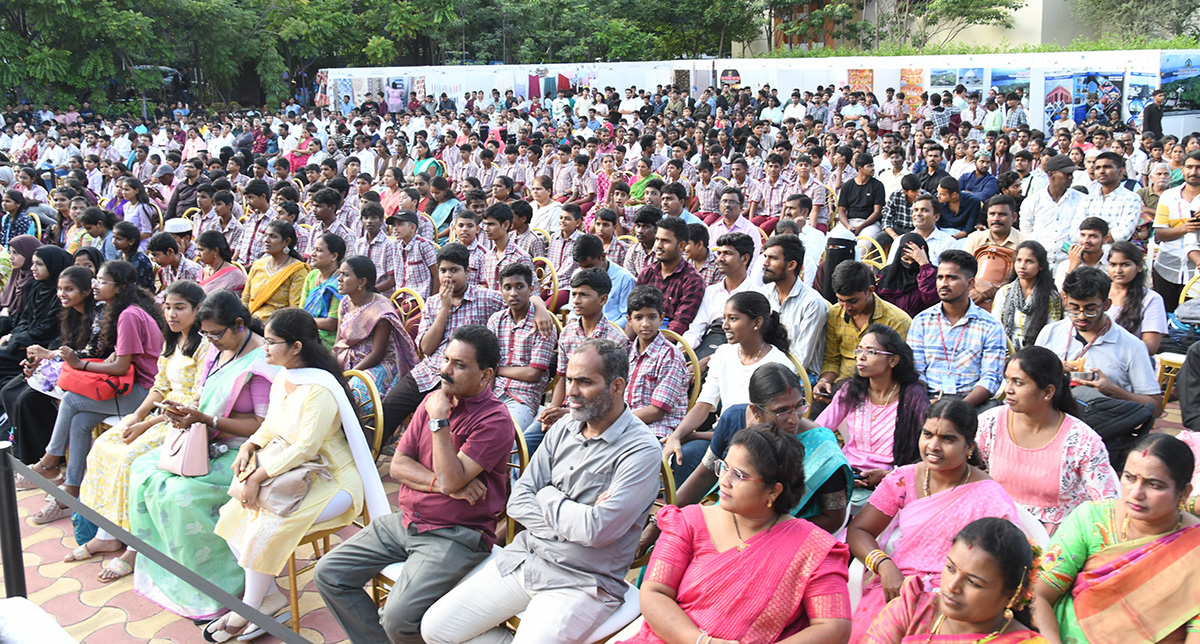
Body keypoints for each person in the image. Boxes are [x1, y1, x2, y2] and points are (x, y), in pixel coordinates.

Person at [421, 339, 663, 644]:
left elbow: (596, 531)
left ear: (616, 386)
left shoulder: (641, 451)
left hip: (583, 581)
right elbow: (518, 500)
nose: (571, 391)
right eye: (570, 379)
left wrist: (547, 494)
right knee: (435, 629)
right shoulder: (564, 427)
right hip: (526, 557)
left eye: (584, 382)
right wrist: (574, 517)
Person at [314, 325, 515, 644]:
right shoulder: (433, 400)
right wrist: (442, 485)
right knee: (329, 574)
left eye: (459, 365)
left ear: (485, 375)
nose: (446, 370)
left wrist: (439, 421)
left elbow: (451, 478)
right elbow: (399, 466)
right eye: (446, 360)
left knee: (398, 619)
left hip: (456, 534)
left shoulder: (494, 420)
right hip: (407, 521)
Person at [207, 308, 385, 641]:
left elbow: (306, 447)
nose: (265, 348)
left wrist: (257, 477)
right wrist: (249, 447)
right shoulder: (285, 377)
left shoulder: (318, 389)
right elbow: (271, 426)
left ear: (296, 347)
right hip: (289, 474)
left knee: (265, 526)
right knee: (235, 512)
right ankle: (267, 597)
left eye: (272, 342)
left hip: (333, 481)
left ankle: (250, 605)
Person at [621, 423, 852, 644]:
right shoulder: (689, 522)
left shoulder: (813, 549)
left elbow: (833, 627)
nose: (724, 481)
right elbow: (654, 592)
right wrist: (701, 642)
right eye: (724, 467)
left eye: (738, 475)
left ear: (774, 491)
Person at [128, 291, 276, 619]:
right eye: (204, 333)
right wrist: (181, 412)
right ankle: (180, 579)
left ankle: (224, 587)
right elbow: (202, 395)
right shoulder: (214, 350)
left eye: (215, 333)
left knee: (181, 495)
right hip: (206, 440)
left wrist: (206, 420)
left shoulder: (261, 362)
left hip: (244, 451)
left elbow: (261, 426)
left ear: (239, 325)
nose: (208, 340)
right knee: (142, 472)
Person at [846, 398, 1021, 644]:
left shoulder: (989, 495)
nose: (933, 446)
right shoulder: (902, 479)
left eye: (948, 439)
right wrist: (885, 566)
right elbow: (859, 530)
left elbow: (1005, 560)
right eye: (927, 434)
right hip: (897, 585)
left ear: (969, 447)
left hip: (957, 595)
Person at [70, 280, 207, 582]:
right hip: (159, 415)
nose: (171, 314)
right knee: (105, 446)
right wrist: (136, 416)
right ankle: (107, 531)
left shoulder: (205, 346)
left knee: (129, 459)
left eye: (180, 308)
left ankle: (134, 544)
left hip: (181, 422)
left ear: (198, 310)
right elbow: (160, 386)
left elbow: (196, 398)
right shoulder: (171, 342)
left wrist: (149, 423)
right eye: (168, 307)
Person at [26, 260, 165, 524]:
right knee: (78, 420)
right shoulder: (122, 311)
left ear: (120, 287)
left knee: (70, 400)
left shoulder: (128, 315)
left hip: (145, 392)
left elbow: (122, 365)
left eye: (102, 281)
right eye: (96, 280)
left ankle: (50, 461)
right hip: (131, 385)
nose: (96, 285)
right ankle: (72, 487)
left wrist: (80, 365)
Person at [1030, 434, 1200, 644]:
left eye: (1154, 485)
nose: (1136, 493)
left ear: (1184, 493)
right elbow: (1039, 595)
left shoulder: (1195, 548)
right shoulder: (1092, 519)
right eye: (1129, 477)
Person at [975, 346, 1118, 536]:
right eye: (1007, 380)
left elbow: (1106, 505)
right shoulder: (990, 423)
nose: (1007, 389)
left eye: (1018, 382)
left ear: (1048, 392)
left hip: (1059, 541)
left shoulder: (1082, 440)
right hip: (997, 529)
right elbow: (968, 472)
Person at [1034, 266, 1161, 467]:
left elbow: (1154, 406)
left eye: (1091, 308)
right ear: (1065, 299)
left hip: (1102, 436)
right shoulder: (1050, 333)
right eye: (1074, 308)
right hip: (1049, 428)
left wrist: (1113, 390)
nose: (1081, 316)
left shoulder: (1131, 346)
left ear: (1107, 304)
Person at [664, 291, 794, 477]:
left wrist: (695, 435)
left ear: (757, 323)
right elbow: (703, 405)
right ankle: (681, 506)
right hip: (721, 437)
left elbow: (763, 427)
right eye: (724, 318)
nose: (724, 326)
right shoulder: (724, 353)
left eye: (733, 319)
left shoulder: (777, 365)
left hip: (756, 444)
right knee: (683, 454)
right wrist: (677, 435)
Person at [863, 517, 1047, 644]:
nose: (952, 586)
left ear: (1011, 595)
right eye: (950, 568)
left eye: (973, 582)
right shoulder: (909, 610)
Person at [817, 323, 929, 508]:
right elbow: (819, 430)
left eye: (871, 352)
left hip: (893, 481)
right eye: (859, 350)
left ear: (893, 361)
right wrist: (839, 469)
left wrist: (887, 476)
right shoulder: (851, 390)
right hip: (847, 477)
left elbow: (929, 442)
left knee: (866, 523)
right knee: (825, 514)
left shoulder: (912, 396)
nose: (861, 357)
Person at [527, 267, 629, 454]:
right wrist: (554, 410)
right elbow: (562, 378)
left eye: (584, 295)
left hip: (597, 415)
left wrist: (567, 413)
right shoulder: (568, 333)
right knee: (527, 443)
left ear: (603, 300)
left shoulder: (616, 341)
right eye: (574, 294)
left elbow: (613, 396)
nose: (576, 300)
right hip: (568, 408)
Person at [908, 250, 1006, 408]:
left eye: (952, 278)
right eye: (940, 277)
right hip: (929, 400)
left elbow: (991, 378)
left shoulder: (990, 326)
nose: (943, 284)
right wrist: (928, 404)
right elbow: (916, 370)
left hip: (971, 403)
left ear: (970, 284)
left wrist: (958, 408)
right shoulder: (921, 321)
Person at [816, 261, 913, 405]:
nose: (846, 307)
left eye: (852, 301)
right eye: (840, 300)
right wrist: (824, 381)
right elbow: (832, 359)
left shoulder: (897, 321)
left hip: (879, 390)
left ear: (870, 291)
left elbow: (901, 370)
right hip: (840, 388)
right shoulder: (835, 314)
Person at [334, 255, 419, 394]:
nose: (339, 279)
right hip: (348, 358)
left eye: (345, 275)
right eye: (340, 274)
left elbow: (377, 354)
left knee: (353, 390)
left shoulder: (380, 309)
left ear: (361, 282)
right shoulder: (345, 302)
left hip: (377, 364)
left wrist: (351, 374)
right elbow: (339, 343)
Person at [624, 285, 690, 463]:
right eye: (638, 318)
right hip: (627, 425)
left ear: (661, 318)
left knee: (625, 458)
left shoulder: (670, 355)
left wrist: (617, 421)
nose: (645, 324)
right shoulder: (628, 352)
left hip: (658, 430)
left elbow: (658, 411)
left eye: (651, 317)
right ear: (629, 320)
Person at [487, 262, 556, 430]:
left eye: (520, 287)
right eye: (507, 288)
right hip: (494, 391)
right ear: (501, 290)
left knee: (503, 431)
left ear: (531, 289)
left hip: (523, 396)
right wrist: (485, 398)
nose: (513, 293)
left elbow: (533, 373)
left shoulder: (542, 324)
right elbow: (488, 364)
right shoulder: (496, 320)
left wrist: (497, 369)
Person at [757, 234, 828, 374]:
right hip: (763, 370)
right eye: (765, 257)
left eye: (773, 258)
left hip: (800, 378)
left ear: (791, 265)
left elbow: (800, 361)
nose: (765, 263)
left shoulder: (812, 303)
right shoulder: (763, 294)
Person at [0, 243, 70, 380]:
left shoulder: (61, 294)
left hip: (40, 348)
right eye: (33, 263)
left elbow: (46, 330)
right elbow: (25, 318)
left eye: (39, 264)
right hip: (23, 341)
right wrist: (13, 337)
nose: (33, 268)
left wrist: (13, 339)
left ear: (53, 265)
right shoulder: (38, 287)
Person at [634, 216, 706, 335]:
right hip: (642, 333)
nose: (658, 246)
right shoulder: (647, 273)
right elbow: (634, 313)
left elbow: (681, 323)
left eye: (665, 241)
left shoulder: (693, 280)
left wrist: (653, 346)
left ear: (682, 245)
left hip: (669, 341)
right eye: (657, 239)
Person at [1150, 150, 1200, 311]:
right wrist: (1185, 228)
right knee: (1166, 319)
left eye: (1198, 167)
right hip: (1166, 267)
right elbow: (1160, 234)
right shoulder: (1169, 196)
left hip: (1196, 273)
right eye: (1189, 167)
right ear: (1182, 169)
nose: (1194, 172)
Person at [992, 241, 1061, 350]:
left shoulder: (1051, 297)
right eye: (1019, 260)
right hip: (1005, 348)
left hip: (1037, 351)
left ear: (1041, 266)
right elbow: (996, 326)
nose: (1022, 266)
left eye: (1029, 261)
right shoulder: (1004, 292)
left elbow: (1052, 332)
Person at [1105, 241, 1166, 356]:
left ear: (1139, 267)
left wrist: (1113, 351)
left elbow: (1151, 346)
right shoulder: (1099, 292)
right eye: (1113, 264)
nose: (1118, 270)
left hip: (1132, 360)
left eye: (1125, 264)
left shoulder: (1151, 299)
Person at [241, 219, 307, 321]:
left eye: (273, 236)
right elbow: (245, 299)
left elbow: (294, 310)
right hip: (249, 322)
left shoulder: (297, 271)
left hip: (276, 327)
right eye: (265, 235)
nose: (266, 240)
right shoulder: (258, 265)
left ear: (287, 241)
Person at [875, 232, 938, 317]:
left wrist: (924, 264)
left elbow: (931, 298)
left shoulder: (934, 274)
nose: (910, 263)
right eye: (906, 259)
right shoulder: (887, 275)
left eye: (915, 260)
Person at [302, 233, 346, 349]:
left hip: (327, 340)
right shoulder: (312, 276)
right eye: (313, 249)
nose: (312, 254)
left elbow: (331, 323)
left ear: (334, 256)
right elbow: (302, 309)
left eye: (319, 250)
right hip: (306, 330)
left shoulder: (341, 282)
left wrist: (301, 321)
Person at [1053, 217, 1108, 290]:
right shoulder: (1065, 266)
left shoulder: (1112, 264)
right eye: (1083, 235)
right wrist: (1073, 267)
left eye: (1093, 236)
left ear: (1105, 239)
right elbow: (1062, 298)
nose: (1086, 240)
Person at [195, 229, 246, 295]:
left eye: (201, 250)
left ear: (215, 250)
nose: (198, 254)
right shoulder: (202, 273)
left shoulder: (234, 275)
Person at [113, 220, 155, 290]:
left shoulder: (140, 260)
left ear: (131, 241)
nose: (114, 241)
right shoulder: (119, 254)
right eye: (113, 237)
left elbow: (136, 285)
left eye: (118, 239)